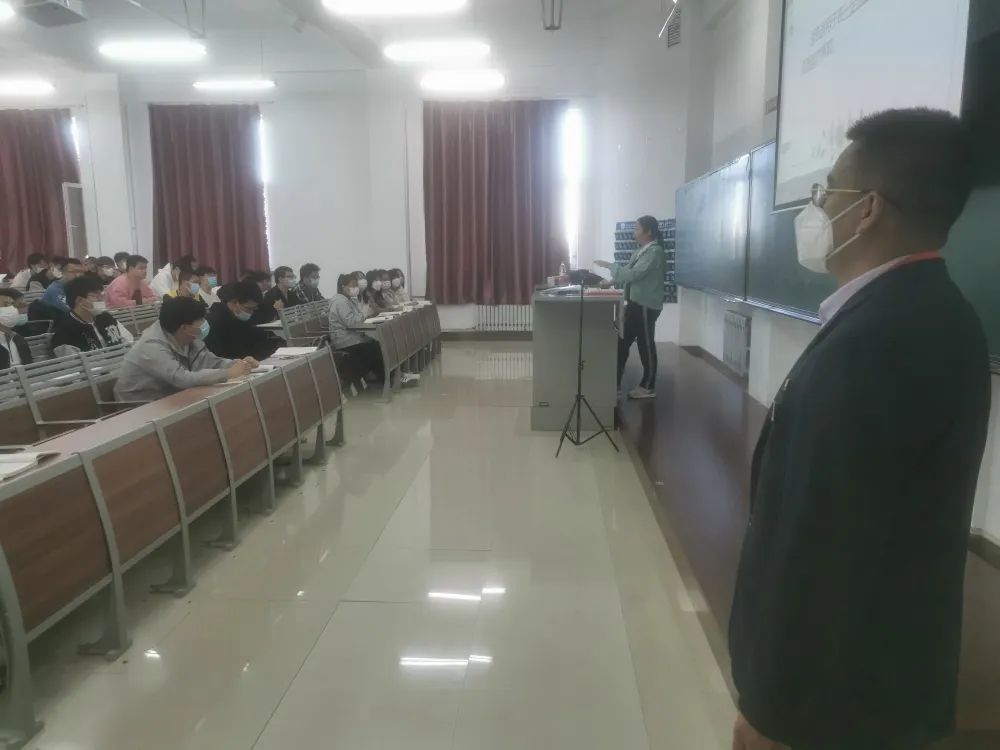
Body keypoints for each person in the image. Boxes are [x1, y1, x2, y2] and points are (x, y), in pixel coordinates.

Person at [728, 109, 990, 750]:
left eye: (826, 193)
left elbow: (820, 543)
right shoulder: (915, 313)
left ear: (866, 210)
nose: (816, 208)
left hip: (835, 702)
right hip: (871, 684)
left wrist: (769, 707)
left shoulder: (883, 340)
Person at [114, 296, 256, 403]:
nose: (205, 323)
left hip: (169, 398)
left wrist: (240, 364)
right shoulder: (151, 346)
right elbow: (182, 378)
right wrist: (227, 373)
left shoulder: (189, 337)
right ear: (184, 327)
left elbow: (211, 361)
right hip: (138, 406)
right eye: (200, 320)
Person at [594, 215, 667, 400]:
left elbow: (634, 275)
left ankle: (648, 386)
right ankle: (615, 384)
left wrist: (609, 265)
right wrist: (609, 283)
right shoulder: (641, 251)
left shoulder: (654, 252)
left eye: (637, 229)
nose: (634, 233)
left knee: (645, 345)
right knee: (622, 341)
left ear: (648, 232)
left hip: (646, 305)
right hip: (635, 304)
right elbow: (627, 273)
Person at [51, 275, 133, 357]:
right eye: (95, 296)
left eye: (102, 295)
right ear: (79, 300)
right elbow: (72, 362)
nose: (101, 300)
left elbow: (128, 341)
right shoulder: (64, 329)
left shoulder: (105, 317)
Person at [204, 281, 280, 362]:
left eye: (254, 309)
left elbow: (259, 342)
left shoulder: (244, 317)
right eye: (248, 308)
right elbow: (220, 357)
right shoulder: (214, 323)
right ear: (234, 302)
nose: (251, 312)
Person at [329, 273, 382, 388]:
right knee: (374, 349)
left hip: (352, 336)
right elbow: (352, 322)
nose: (356, 288)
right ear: (343, 286)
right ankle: (383, 379)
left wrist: (362, 314)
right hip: (345, 340)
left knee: (375, 344)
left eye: (356, 285)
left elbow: (357, 317)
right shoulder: (340, 302)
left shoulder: (348, 300)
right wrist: (364, 313)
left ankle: (382, 378)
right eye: (352, 285)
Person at [0, 288, 32, 369]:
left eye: (12, 304)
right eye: (5, 305)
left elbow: (30, 369)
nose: (12, 309)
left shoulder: (19, 340)